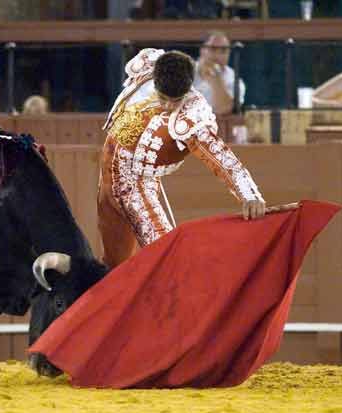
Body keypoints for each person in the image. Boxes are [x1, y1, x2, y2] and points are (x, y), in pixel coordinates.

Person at [97, 48, 265, 268]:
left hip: (137, 188)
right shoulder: (148, 66)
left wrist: (249, 193)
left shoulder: (192, 114)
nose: (167, 106)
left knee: (168, 259)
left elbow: (220, 155)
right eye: (163, 98)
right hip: (106, 181)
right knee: (112, 267)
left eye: (175, 100)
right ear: (155, 78)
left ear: (187, 90)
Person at [193, 31, 245, 114]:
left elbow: (224, 110)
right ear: (202, 50)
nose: (218, 55)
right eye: (213, 49)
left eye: (223, 50)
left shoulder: (234, 81)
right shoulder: (185, 71)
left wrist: (215, 78)